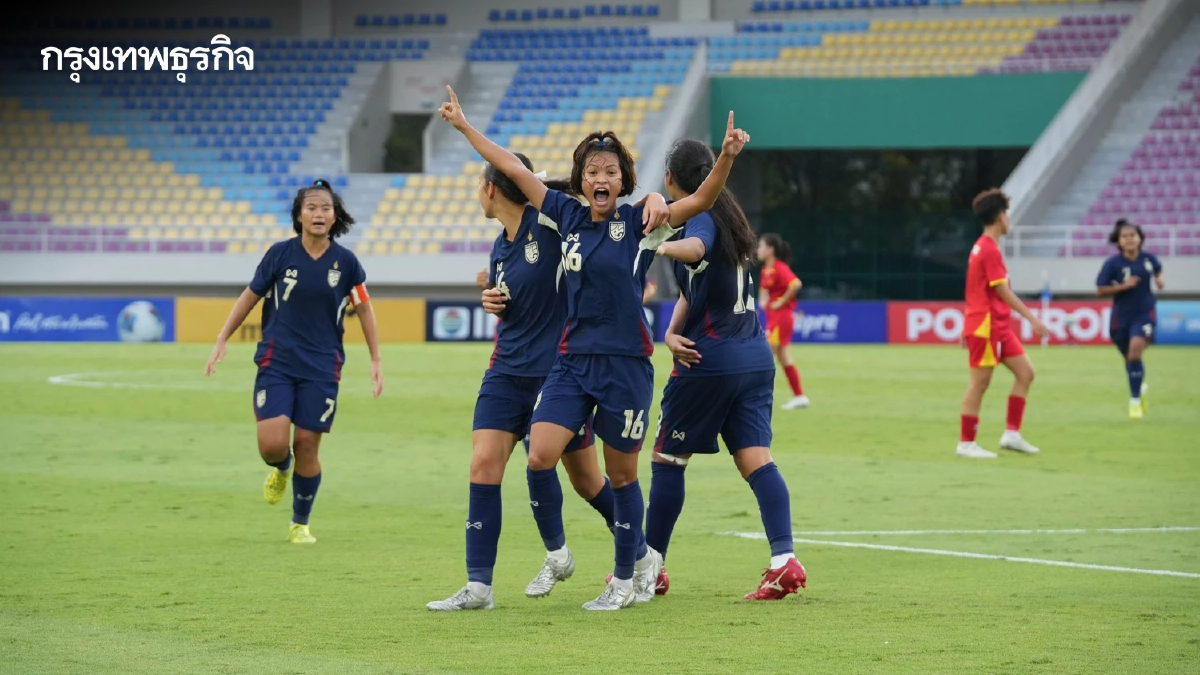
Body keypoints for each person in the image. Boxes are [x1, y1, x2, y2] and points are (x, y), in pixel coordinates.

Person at [439, 85, 750, 610]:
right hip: (571, 362)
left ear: (622, 180)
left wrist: (724, 158)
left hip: (626, 364)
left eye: (609, 172)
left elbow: (701, 201)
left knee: (622, 475)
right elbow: (514, 171)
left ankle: (626, 580)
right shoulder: (567, 215)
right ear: (581, 180)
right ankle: (558, 555)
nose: (600, 179)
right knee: (539, 455)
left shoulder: (640, 224)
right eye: (591, 171)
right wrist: (465, 127)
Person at [426, 155, 617, 611]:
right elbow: (515, 296)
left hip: (557, 374)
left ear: (494, 188)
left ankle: (643, 552)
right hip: (506, 370)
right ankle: (479, 588)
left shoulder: (550, 226)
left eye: (480, 182)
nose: (478, 190)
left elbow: (584, 241)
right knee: (482, 466)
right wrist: (495, 299)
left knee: (588, 481)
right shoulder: (500, 244)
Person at [648, 138, 807, 601]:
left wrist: (657, 245)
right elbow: (691, 291)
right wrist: (671, 332)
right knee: (757, 459)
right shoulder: (732, 217)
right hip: (754, 357)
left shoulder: (700, 217)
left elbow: (695, 250)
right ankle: (784, 561)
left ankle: (651, 566)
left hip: (711, 360)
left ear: (672, 179)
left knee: (668, 459)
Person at [204, 179, 384, 542]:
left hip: (322, 365)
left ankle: (300, 523)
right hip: (278, 359)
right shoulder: (279, 255)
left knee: (306, 444)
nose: (319, 214)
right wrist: (223, 336)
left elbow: (364, 308)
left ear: (336, 217)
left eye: (326, 208)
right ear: (299, 215)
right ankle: (281, 468)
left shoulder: (347, 263)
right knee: (272, 445)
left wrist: (375, 359)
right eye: (312, 208)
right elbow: (250, 297)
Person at [957, 188, 1048, 459]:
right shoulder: (987, 250)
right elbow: (1002, 291)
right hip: (985, 325)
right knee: (979, 383)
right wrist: (1032, 318)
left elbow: (976, 289)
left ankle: (1012, 434)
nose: (1010, 218)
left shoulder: (984, 247)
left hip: (997, 325)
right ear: (999, 217)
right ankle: (966, 443)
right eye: (1007, 213)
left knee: (1026, 373)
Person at [1095, 219, 1164, 420]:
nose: (1129, 239)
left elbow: (1158, 269)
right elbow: (1100, 289)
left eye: (1133, 236)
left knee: (1135, 351)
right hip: (1121, 317)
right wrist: (1123, 286)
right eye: (1124, 237)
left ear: (1140, 238)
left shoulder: (1149, 259)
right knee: (1129, 358)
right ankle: (1140, 386)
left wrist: (1160, 279)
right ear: (1119, 241)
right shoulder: (1113, 264)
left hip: (1145, 313)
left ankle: (1134, 401)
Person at [757, 234, 808, 410]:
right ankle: (799, 396)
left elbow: (796, 284)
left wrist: (782, 301)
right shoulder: (766, 269)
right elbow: (763, 289)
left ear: (770, 249)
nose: (758, 250)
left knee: (764, 355)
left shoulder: (779, 267)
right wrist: (763, 300)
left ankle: (755, 396)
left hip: (782, 317)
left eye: (761, 246)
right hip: (773, 317)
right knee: (783, 357)